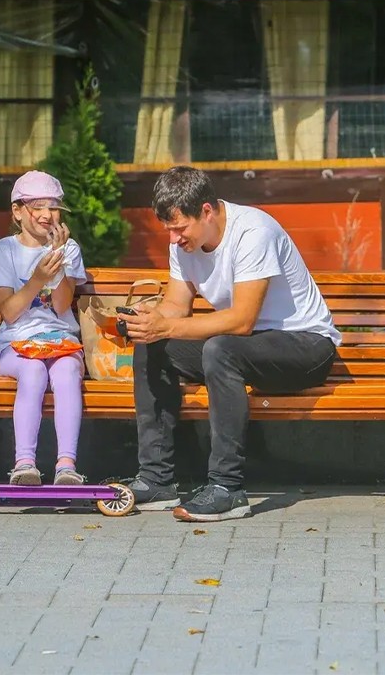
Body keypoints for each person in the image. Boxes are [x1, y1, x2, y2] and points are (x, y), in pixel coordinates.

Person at [118, 166, 341, 522]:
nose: (174, 239)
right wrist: (148, 321)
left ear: (207, 211)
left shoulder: (254, 232)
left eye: (180, 228)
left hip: (306, 346)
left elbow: (241, 320)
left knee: (220, 349)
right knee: (153, 343)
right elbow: (176, 307)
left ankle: (228, 489)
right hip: (249, 346)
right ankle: (156, 480)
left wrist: (167, 325)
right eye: (169, 230)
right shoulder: (183, 242)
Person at [0, 170, 87, 486]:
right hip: (16, 345)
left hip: (60, 342)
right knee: (33, 371)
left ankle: (66, 465)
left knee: (68, 370)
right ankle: (24, 463)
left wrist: (57, 258)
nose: (47, 215)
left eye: (53, 207)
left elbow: (61, 306)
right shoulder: (3, 251)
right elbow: (11, 313)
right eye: (37, 206)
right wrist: (38, 278)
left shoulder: (69, 249)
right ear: (17, 211)